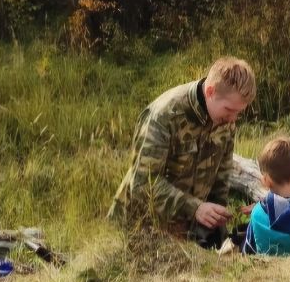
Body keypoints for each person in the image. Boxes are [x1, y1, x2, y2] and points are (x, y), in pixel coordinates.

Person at [109, 56, 259, 243]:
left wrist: (219, 230)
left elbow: (221, 179)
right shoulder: (164, 116)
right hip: (139, 231)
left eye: (239, 112)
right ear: (211, 91)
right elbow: (142, 183)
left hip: (186, 236)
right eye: (229, 110)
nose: (233, 119)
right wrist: (194, 207)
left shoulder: (225, 121)